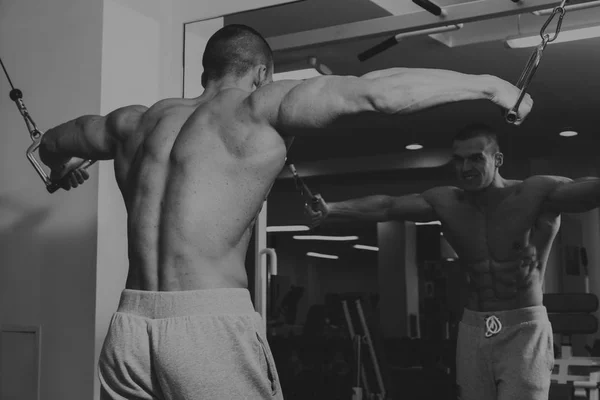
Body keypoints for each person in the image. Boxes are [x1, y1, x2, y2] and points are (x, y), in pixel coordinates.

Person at [38, 22, 532, 400]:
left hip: (129, 328)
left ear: (204, 72)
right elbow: (377, 92)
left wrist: (62, 168)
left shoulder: (134, 123)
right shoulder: (260, 107)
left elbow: (53, 142)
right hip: (208, 326)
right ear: (261, 74)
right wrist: (490, 85)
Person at [305, 122, 600, 400]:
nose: (465, 168)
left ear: (497, 159)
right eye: (458, 160)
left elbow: (585, 192)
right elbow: (388, 206)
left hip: (523, 327)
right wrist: (332, 208)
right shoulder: (448, 202)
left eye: (475, 159)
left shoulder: (532, 193)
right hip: (473, 326)